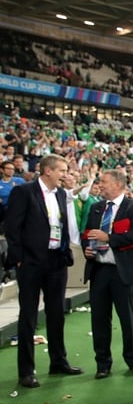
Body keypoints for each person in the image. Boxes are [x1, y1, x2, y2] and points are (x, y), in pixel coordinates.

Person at [6, 154, 83, 388]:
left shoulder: (60, 194)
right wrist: (19, 259)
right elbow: (12, 227)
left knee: (57, 313)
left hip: (55, 262)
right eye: (62, 170)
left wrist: (66, 252)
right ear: (48, 171)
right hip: (30, 263)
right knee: (28, 316)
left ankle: (58, 361)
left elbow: (61, 224)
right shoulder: (24, 192)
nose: (65, 174)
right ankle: (26, 371)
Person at [82, 169, 133, 380]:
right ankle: (103, 363)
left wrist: (108, 238)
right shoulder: (95, 208)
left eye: (104, 182)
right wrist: (87, 248)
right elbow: (88, 234)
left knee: (128, 319)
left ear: (118, 184)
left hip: (124, 272)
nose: (100, 185)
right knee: (99, 319)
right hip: (99, 270)